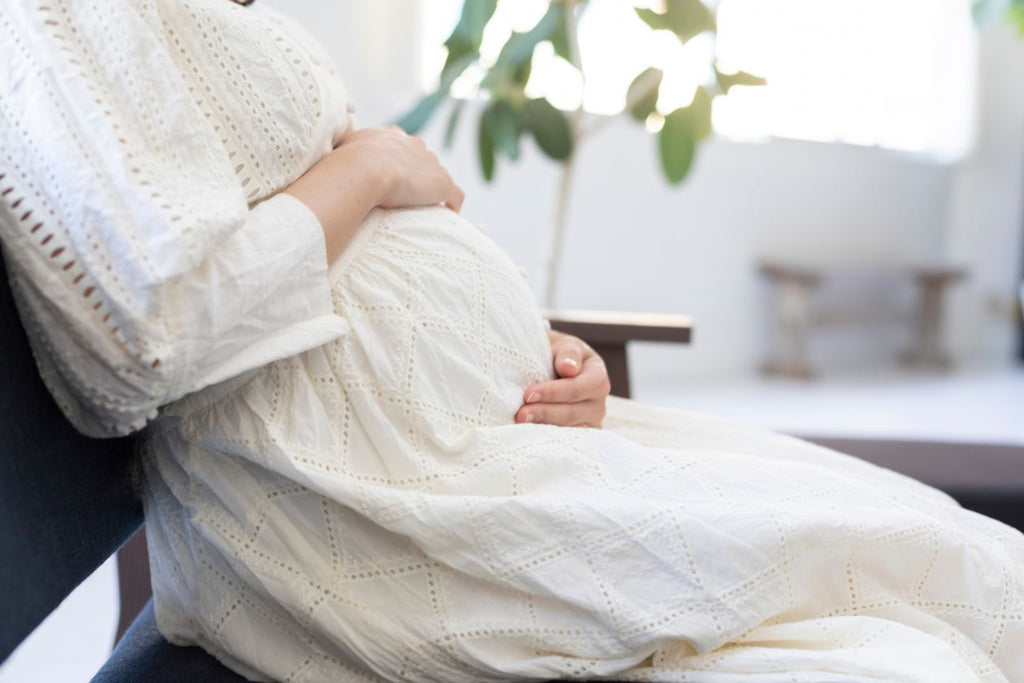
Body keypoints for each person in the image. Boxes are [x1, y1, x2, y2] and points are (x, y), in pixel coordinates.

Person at [1, 1, 1022, 682]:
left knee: (954, 557)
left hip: (488, 442)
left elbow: (322, 249)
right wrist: (374, 168)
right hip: (365, 504)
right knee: (911, 635)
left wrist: (534, 347)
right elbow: (152, 332)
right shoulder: (50, 23)